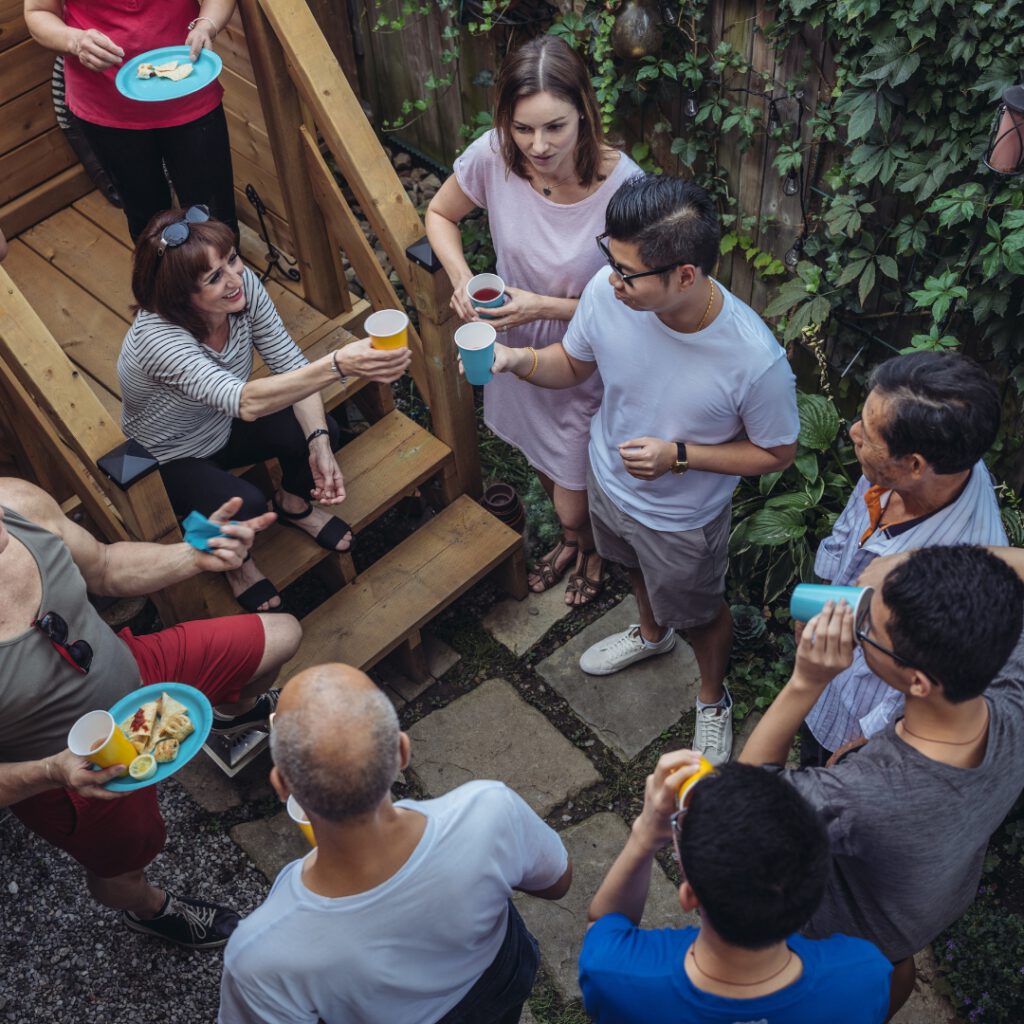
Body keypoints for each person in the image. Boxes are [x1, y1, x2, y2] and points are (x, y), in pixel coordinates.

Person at [488, 174, 799, 763]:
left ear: (685, 275)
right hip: (608, 481)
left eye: (627, 272)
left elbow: (777, 452)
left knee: (702, 617)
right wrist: (516, 360)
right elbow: (573, 365)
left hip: (683, 520)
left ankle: (711, 697)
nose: (611, 280)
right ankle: (652, 635)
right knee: (629, 566)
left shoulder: (755, 362)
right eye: (612, 259)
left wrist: (680, 457)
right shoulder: (610, 296)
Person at [0, 476, 301, 949]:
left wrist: (191, 554)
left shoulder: (15, 502)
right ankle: (150, 910)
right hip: (78, 770)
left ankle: (226, 717)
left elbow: (103, 565)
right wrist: (50, 772)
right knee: (124, 868)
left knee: (282, 635)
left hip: (140, 675)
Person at [739, 544, 1024, 1016]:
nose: (861, 621)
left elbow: (742, 797)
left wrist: (805, 682)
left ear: (917, 682)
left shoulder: (862, 793)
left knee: (827, 985)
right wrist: (911, 565)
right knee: (891, 962)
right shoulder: (1010, 686)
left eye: (870, 627)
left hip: (844, 925)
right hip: (925, 906)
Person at [219, 663, 573, 1024]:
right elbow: (557, 882)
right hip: (500, 982)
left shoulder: (260, 955)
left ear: (282, 786)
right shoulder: (490, 809)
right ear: (402, 752)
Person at [426, 35, 641, 607]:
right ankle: (578, 542)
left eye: (555, 128)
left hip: (585, 359)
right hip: (511, 346)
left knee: (574, 494)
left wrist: (542, 307)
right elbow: (440, 213)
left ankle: (590, 545)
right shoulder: (494, 156)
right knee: (535, 456)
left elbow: (640, 301)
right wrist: (461, 280)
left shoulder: (626, 189)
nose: (538, 146)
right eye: (523, 129)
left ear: (585, 113)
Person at [118, 207, 411, 613]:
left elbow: (291, 366)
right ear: (180, 298)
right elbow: (246, 401)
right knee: (245, 503)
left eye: (232, 259)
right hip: (170, 452)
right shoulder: (159, 339)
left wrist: (319, 443)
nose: (236, 280)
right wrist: (338, 364)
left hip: (222, 422)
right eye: (214, 277)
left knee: (319, 426)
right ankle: (234, 564)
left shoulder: (242, 288)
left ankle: (293, 504)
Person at [799, 352, 1006, 766]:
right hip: (827, 677)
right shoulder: (915, 466)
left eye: (868, 434)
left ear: (915, 466)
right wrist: (816, 601)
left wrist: (869, 738)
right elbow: (849, 527)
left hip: (858, 718)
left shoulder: (961, 582)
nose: (854, 432)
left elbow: (932, 683)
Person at [580, 756, 892, 1023]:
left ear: (690, 897)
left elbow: (604, 926)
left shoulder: (615, 975)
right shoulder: (864, 975)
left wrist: (644, 835)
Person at [25, 0, 240, 241]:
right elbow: (38, 13)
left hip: (189, 91)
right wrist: (75, 41)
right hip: (106, 106)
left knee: (216, 221)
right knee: (149, 225)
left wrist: (206, 25)